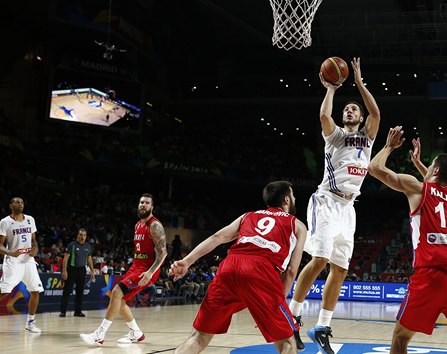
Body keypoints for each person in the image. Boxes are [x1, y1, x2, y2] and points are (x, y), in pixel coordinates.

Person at [367, 126, 447, 354]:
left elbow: (374, 168)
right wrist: (422, 166)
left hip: (431, 276)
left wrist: (389, 146)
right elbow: (439, 185)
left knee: (401, 337)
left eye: (431, 164)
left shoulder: (418, 189)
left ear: (434, 171)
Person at [289, 57, 381, 354]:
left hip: (349, 208)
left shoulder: (367, 138)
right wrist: (331, 88)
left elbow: (377, 113)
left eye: (354, 108)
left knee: (340, 270)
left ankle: (322, 326)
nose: (350, 110)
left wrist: (359, 83)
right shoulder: (336, 136)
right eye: (347, 109)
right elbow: (324, 117)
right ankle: (292, 315)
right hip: (326, 201)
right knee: (319, 260)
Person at [169, 181, 307, 354]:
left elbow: (217, 236)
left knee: (199, 336)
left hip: (230, 266)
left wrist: (187, 261)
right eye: (293, 195)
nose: (294, 198)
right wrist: (274, 306)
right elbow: (291, 271)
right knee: (287, 341)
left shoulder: (247, 216)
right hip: (261, 271)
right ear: (287, 200)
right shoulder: (298, 225)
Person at [80, 193, 167, 345]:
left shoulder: (154, 225)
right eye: (141, 202)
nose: (143, 205)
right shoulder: (138, 225)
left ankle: (99, 335)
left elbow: (163, 253)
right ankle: (136, 333)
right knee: (118, 300)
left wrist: (150, 272)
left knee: (116, 293)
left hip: (147, 269)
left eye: (147, 203)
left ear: (152, 207)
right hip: (136, 266)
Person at [0, 197, 44, 333]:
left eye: (22, 202)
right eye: (17, 202)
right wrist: (9, 252)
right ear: (10, 205)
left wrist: (36, 248)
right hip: (13, 261)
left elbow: (34, 240)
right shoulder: (5, 222)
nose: (20, 204)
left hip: (28, 260)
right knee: (4, 291)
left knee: (35, 291)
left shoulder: (30, 219)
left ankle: (30, 323)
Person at [59, 228, 95, 317]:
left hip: (82, 270)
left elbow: (89, 259)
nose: (82, 237)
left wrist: (92, 271)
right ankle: (63, 311)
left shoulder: (88, 246)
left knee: (80, 292)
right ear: (77, 235)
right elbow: (65, 258)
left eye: (84, 235)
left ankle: (77, 311)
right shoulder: (72, 245)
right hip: (71, 270)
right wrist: (64, 271)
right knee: (67, 291)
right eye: (80, 235)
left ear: (86, 236)